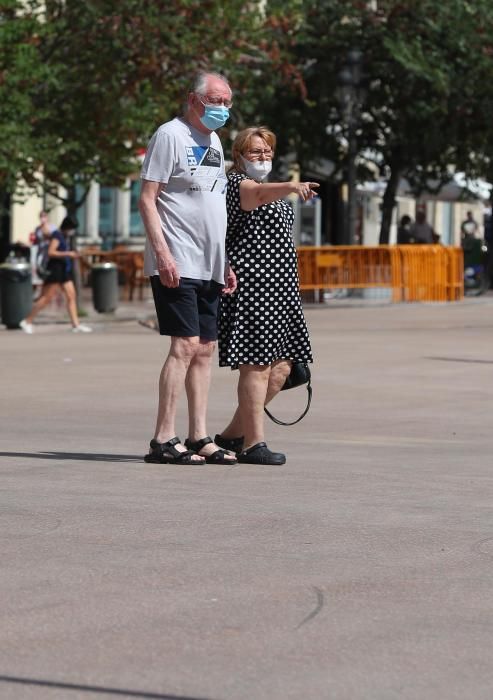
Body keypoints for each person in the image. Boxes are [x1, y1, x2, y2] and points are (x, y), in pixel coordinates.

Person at [138, 70, 238, 466]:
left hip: (210, 262)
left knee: (205, 350)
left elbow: (212, 205)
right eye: (215, 100)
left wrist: (224, 259)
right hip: (177, 258)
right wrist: (163, 254)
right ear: (193, 99)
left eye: (228, 101)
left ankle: (199, 436)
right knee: (183, 346)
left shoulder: (212, 139)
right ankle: (163, 438)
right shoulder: (169, 135)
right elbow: (148, 199)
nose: (222, 108)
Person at [215, 126, 316, 465]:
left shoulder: (266, 188)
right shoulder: (236, 184)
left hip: (282, 290)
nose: (263, 157)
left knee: (284, 367)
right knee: (255, 367)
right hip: (254, 288)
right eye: (256, 152)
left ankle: (231, 435)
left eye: (267, 151)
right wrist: (291, 186)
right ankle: (253, 443)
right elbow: (253, 198)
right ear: (239, 156)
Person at [20, 216, 92, 334]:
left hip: (64, 270)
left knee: (71, 296)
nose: (72, 231)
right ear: (67, 226)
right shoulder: (57, 235)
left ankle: (76, 324)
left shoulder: (65, 237)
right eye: (72, 228)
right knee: (46, 298)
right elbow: (51, 252)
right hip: (55, 270)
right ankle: (27, 321)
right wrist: (68, 254)